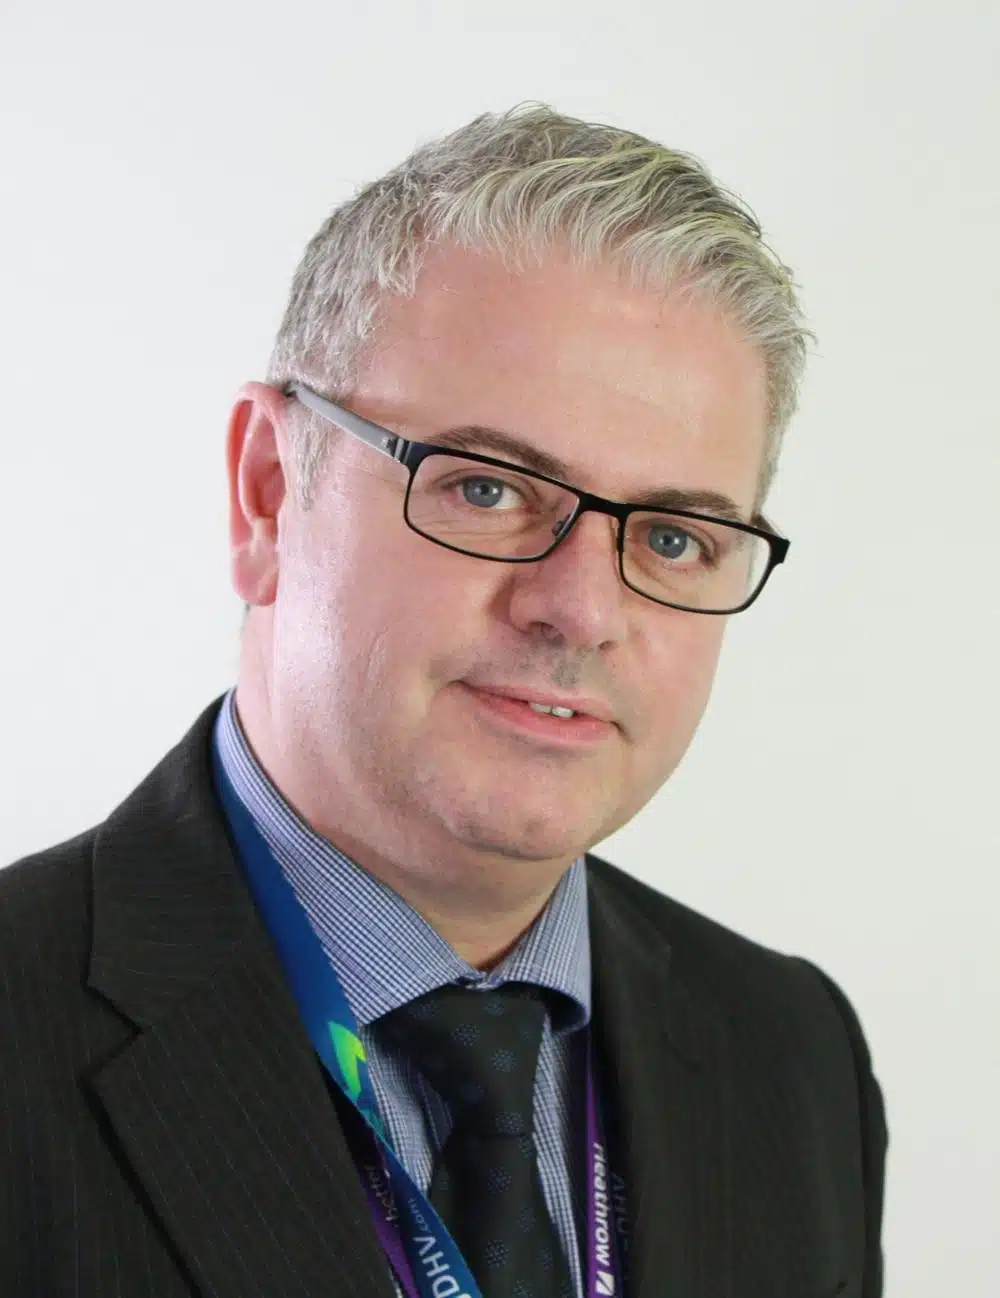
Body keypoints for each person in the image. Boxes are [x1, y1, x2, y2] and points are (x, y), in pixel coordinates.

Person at [0, 104, 887, 1298]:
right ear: (269, 492)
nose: (577, 609)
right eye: (487, 488)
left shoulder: (789, 1054)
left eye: (673, 535)